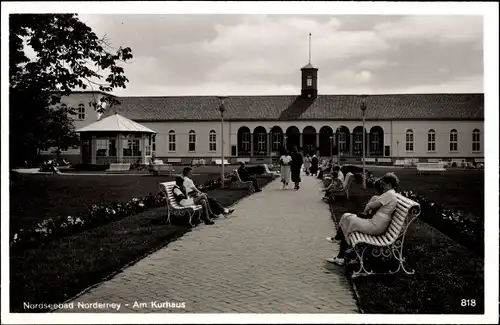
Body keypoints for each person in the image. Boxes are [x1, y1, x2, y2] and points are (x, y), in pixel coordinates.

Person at [326, 172, 400, 266]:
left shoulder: (389, 194)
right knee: (346, 216)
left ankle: (341, 253)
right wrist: (372, 202)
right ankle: (339, 241)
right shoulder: (390, 193)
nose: (382, 187)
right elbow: (375, 203)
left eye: (383, 184)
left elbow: (373, 205)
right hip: (374, 222)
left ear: (389, 184)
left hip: (376, 226)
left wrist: (369, 205)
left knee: (350, 220)